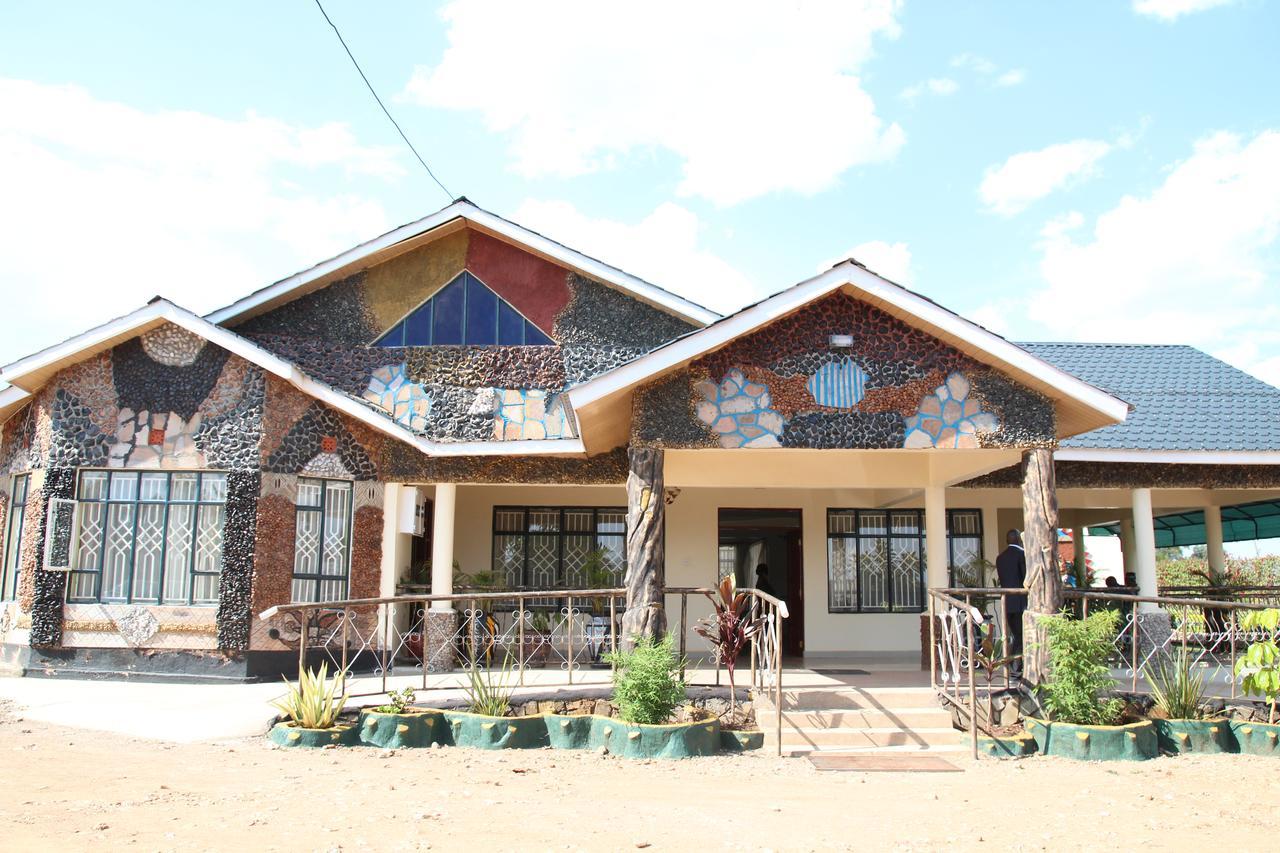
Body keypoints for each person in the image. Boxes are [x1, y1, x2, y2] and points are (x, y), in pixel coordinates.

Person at [995, 529, 1027, 660]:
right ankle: (1014, 665)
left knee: (1016, 634)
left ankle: (1015, 666)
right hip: (1021, 602)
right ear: (1019, 539)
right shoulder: (1021, 555)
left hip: (1007, 603)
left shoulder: (1000, 558)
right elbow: (1026, 577)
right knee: (1021, 635)